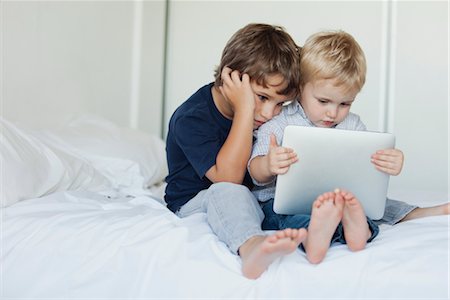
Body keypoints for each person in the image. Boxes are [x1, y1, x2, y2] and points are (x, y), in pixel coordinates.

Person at [248, 30, 449, 264]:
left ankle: (360, 229)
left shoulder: (352, 124)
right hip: (283, 203)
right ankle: (315, 236)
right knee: (286, 217)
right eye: (323, 101)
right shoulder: (279, 122)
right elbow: (254, 173)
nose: (333, 113)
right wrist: (268, 164)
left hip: (338, 202)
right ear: (301, 87)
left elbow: (366, 176)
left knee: (369, 207)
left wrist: (388, 163)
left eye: (345, 103)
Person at [164, 23, 308, 280]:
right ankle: (251, 246)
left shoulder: (267, 117)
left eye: (280, 103)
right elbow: (228, 179)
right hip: (196, 201)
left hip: (247, 198)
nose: (269, 113)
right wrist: (244, 109)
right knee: (226, 192)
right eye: (262, 97)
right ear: (231, 79)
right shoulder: (191, 118)